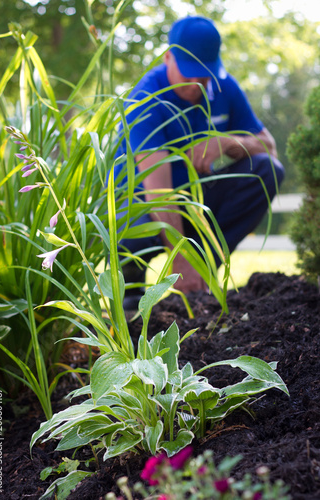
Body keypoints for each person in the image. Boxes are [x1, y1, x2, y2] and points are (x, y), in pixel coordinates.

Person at [114, 16, 285, 309]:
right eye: (188, 74)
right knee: (133, 232)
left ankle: (205, 267)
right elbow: (159, 194)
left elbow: (269, 147)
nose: (196, 85)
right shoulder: (144, 98)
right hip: (141, 203)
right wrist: (181, 260)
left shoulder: (223, 87)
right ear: (168, 57)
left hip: (194, 199)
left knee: (267, 170)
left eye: (203, 76)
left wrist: (229, 143)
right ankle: (132, 288)